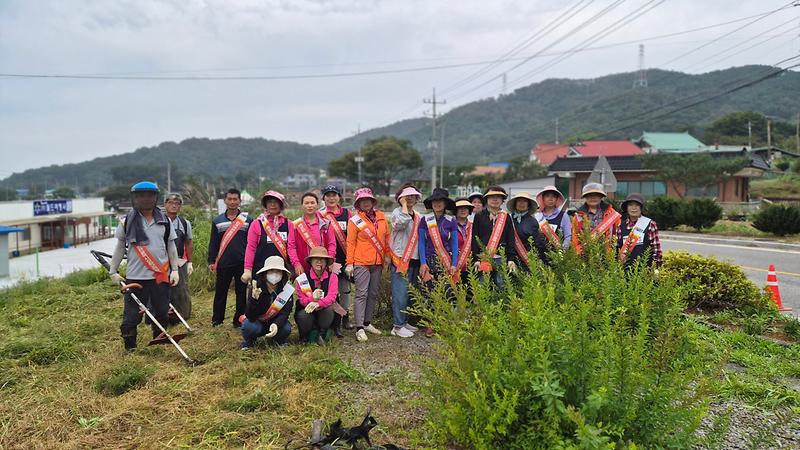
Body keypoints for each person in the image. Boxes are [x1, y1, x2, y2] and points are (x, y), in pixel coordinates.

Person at [109, 181, 181, 352]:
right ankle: (130, 347)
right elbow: (120, 247)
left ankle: (160, 342)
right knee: (131, 316)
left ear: (155, 197)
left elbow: (171, 246)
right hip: (135, 277)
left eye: (150, 195)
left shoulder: (164, 220)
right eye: (141, 195)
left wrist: (176, 269)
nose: (146, 199)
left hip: (159, 275)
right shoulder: (126, 222)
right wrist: (113, 271)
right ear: (135, 198)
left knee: (161, 312)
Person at [345, 187, 389, 342]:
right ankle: (359, 328)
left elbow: (386, 238)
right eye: (362, 201)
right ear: (358, 203)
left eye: (368, 200)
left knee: (373, 294)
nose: (366, 203)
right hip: (361, 262)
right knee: (361, 294)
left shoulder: (382, 217)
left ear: (372, 201)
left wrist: (388, 257)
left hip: (378, 262)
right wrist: (349, 263)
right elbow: (350, 243)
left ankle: (367, 322)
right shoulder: (354, 220)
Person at [208, 188, 252, 327]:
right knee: (221, 292)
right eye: (230, 199)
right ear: (225, 200)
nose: (232, 202)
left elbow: (252, 243)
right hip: (224, 263)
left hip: (242, 263)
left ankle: (238, 320)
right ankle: (217, 320)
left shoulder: (248, 220)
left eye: (235, 199)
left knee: (241, 293)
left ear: (240, 201)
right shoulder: (217, 221)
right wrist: (211, 260)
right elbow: (213, 242)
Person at [388, 183, 424, 339]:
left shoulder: (419, 215)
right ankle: (397, 325)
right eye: (406, 195)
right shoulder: (397, 212)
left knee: (410, 293)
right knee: (400, 293)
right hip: (400, 259)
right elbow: (401, 224)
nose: (410, 198)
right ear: (401, 198)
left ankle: (405, 320)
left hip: (414, 259)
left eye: (412, 195)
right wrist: (403, 205)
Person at [319, 184, 353, 336]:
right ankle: (334, 321)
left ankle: (345, 316)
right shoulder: (320, 215)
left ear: (339, 197)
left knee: (345, 290)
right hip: (328, 260)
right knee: (331, 291)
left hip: (345, 259)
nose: (331, 198)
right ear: (324, 198)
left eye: (334, 195)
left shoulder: (347, 214)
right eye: (328, 195)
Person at [239, 256, 293, 349]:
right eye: (271, 271)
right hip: (257, 322)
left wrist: (276, 324)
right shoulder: (256, 287)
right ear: (265, 273)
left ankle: (278, 341)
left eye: (278, 271)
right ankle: (249, 342)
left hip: (274, 322)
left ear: (283, 274)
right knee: (249, 326)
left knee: (286, 328)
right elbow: (250, 315)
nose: (275, 274)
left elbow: (285, 313)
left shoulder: (286, 290)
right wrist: (254, 300)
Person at [471, 186, 517, 287]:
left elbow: (510, 238)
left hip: (501, 257)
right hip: (484, 256)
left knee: (501, 285)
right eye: (492, 197)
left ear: (502, 200)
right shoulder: (479, 215)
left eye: (498, 197)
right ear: (486, 199)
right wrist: (476, 259)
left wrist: (511, 259)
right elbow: (474, 238)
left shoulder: (506, 216)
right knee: (483, 285)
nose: (495, 199)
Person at [243, 190, 292, 283]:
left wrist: (294, 267)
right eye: (270, 202)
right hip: (261, 269)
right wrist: (247, 269)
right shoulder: (257, 224)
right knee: (260, 296)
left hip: (282, 270)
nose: (273, 205)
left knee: (282, 296)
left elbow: (291, 247)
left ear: (281, 205)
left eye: (276, 202)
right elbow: (251, 248)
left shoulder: (288, 224)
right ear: (265, 204)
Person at [295, 246, 339, 345]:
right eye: (316, 259)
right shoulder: (302, 278)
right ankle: (304, 336)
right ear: (310, 261)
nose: (319, 262)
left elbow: (332, 297)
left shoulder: (333, 277)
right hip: (307, 309)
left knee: (329, 310)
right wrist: (312, 299)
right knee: (303, 315)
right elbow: (301, 299)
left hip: (324, 310)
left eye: (322, 259)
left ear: (327, 262)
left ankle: (321, 334)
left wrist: (319, 304)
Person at [288, 191, 336, 276]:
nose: (310, 205)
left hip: (323, 266)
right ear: (302, 206)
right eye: (306, 203)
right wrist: (296, 264)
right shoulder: (295, 225)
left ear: (317, 205)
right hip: (303, 267)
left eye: (312, 203)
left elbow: (332, 244)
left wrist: (330, 261)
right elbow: (291, 247)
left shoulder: (326, 224)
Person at [164, 193, 193, 322]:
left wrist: (190, 262)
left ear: (180, 206)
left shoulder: (184, 223)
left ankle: (182, 316)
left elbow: (188, 243)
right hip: (160, 262)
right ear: (165, 204)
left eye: (177, 203)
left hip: (180, 261)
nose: (174, 205)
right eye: (171, 202)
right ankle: (157, 316)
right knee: (159, 290)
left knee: (181, 289)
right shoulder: (158, 221)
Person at [616, 193, 663, 269]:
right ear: (626, 208)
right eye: (630, 205)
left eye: (637, 205)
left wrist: (656, 268)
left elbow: (656, 250)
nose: (634, 208)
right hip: (625, 272)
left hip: (645, 271)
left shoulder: (650, 224)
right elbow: (617, 248)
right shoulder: (621, 226)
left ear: (641, 208)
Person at [572, 183, 621, 253]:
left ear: (601, 197)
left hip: (607, 255)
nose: (593, 198)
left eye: (596, 195)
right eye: (589, 195)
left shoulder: (611, 213)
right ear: (585, 197)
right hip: (585, 254)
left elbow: (618, 233)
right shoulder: (578, 215)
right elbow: (575, 237)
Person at [506, 191, 548, 268]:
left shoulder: (533, 221)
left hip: (525, 259)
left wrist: (540, 259)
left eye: (524, 201)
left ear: (528, 205)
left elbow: (538, 243)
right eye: (519, 201)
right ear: (515, 203)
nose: (521, 203)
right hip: (508, 259)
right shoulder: (507, 218)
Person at [535, 185, 572, 250]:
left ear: (557, 199)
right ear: (542, 198)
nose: (550, 198)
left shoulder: (564, 216)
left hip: (557, 255)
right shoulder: (537, 216)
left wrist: (562, 251)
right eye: (547, 196)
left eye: (554, 196)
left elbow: (568, 236)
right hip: (539, 255)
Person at [452, 197, 475, 282]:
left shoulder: (474, 225)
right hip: (454, 265)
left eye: (465, 208)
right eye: (459, 208)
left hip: (471, 266)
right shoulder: (449, 225)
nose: (463, 210)